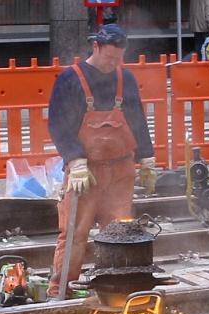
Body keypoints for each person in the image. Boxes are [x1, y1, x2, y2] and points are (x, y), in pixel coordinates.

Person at [46, 24, 154, 299]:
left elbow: (136, 118)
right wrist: (74, 160)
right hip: (86, 171)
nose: (113, 63)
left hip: (120, 169)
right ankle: (61, 287)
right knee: (75, 232)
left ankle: (113, 286)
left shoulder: (125, 78)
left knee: (118, 231)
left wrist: (147, 158)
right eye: (109, 57)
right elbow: (59, 124)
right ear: (96, 47)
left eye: (118, 58)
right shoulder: (70, 79)